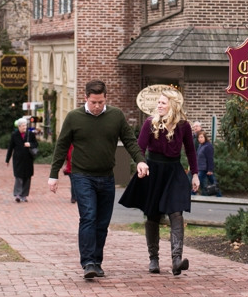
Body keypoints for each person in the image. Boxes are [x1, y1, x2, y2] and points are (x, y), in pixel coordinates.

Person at [48, 80, 148, 280]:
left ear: (105, 98)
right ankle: (88, 263)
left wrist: (140, 161)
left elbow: (130, 140)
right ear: (86, 98)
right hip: (82, 175)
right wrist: (53, 174)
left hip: (106, 176)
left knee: (102, 222)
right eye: (94, 102)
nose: (97, 106)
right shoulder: (74, 117)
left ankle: (97, 261)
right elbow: (61, 146)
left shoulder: (115, 116)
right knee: (89, 217)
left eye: (101, 102)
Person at [119, 88, 199, 276]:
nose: (159, 105)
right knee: (152, 215)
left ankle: (176, 260)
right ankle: (153, 259)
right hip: (153, 171)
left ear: (173, 105)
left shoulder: (183, 126)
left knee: (176, 213)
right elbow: (140, 147)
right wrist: (140, 163)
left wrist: (195, 174)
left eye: (163, 102)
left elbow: (190, 151)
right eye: (159, 102)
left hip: (174, 172)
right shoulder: (150, 123)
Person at [6, 116, 38, 202]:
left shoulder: (30, 134)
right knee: (18, 176)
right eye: (23, 126)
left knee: (27, 177)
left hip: (28, 159)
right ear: (19, 126)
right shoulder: (14, 135)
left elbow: (36, 144)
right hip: (18, 159)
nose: (25, 127)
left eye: (25, 125)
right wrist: (7, 159)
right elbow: (10, 148)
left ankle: (24, 195)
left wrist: (30, 144)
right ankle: (18, 194)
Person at [196, 130, 222, 197]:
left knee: (197, 181)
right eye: (199, 137)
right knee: (213, 182)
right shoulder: (200, 146)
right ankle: (219, 195)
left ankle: (192, 194)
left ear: (205, 137)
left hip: (205, 168)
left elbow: (210, 159)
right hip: (201, 167)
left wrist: (210, 170)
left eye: (201, 137)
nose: (200, 139)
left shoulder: (208, 146)